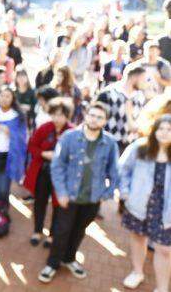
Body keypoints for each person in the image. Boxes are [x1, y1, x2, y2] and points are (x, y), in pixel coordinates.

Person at [38, 102, 120, 283]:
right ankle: (52, 263)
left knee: (79, 231)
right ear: (86, 115)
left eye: (99, 117)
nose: (94, 119)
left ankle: (69, 259)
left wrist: (106, 193)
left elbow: (114, 171)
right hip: (69, 196)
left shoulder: (110, 143)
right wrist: (61, 192)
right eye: (92, 115)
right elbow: (57, 166)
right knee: (61, 231)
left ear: (105, 120)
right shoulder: (69, 137)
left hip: (92, 199)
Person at [119, 115, 171, 291]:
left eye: (169, 129)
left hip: (166, 210)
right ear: (154, 130)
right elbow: (123, 169)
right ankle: (137, 272)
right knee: (138, 239)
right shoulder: (140, 148)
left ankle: (162, 287)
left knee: (164, 249)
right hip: (140, 204)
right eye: (161, 128)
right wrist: (125, 193)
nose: (164, 133)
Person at [23, 98, 74, 247]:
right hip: (42, 171)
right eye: (54, 114)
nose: (57, 118)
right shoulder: (45, 128)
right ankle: (37, 231)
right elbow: (32, 146)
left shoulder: (72, 132)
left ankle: (52, 234)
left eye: (61, 115)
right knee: (40, 202)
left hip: (61, 175)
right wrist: (44, 154)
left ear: (67, 115)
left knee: (58, 204)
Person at [96, 66, 147, 151]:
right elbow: (97, 116)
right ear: (134, 77)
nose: (145, 83)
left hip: (127, 146)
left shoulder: (140, 97)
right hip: (106, 142)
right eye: (143, 79)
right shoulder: (109, 93)